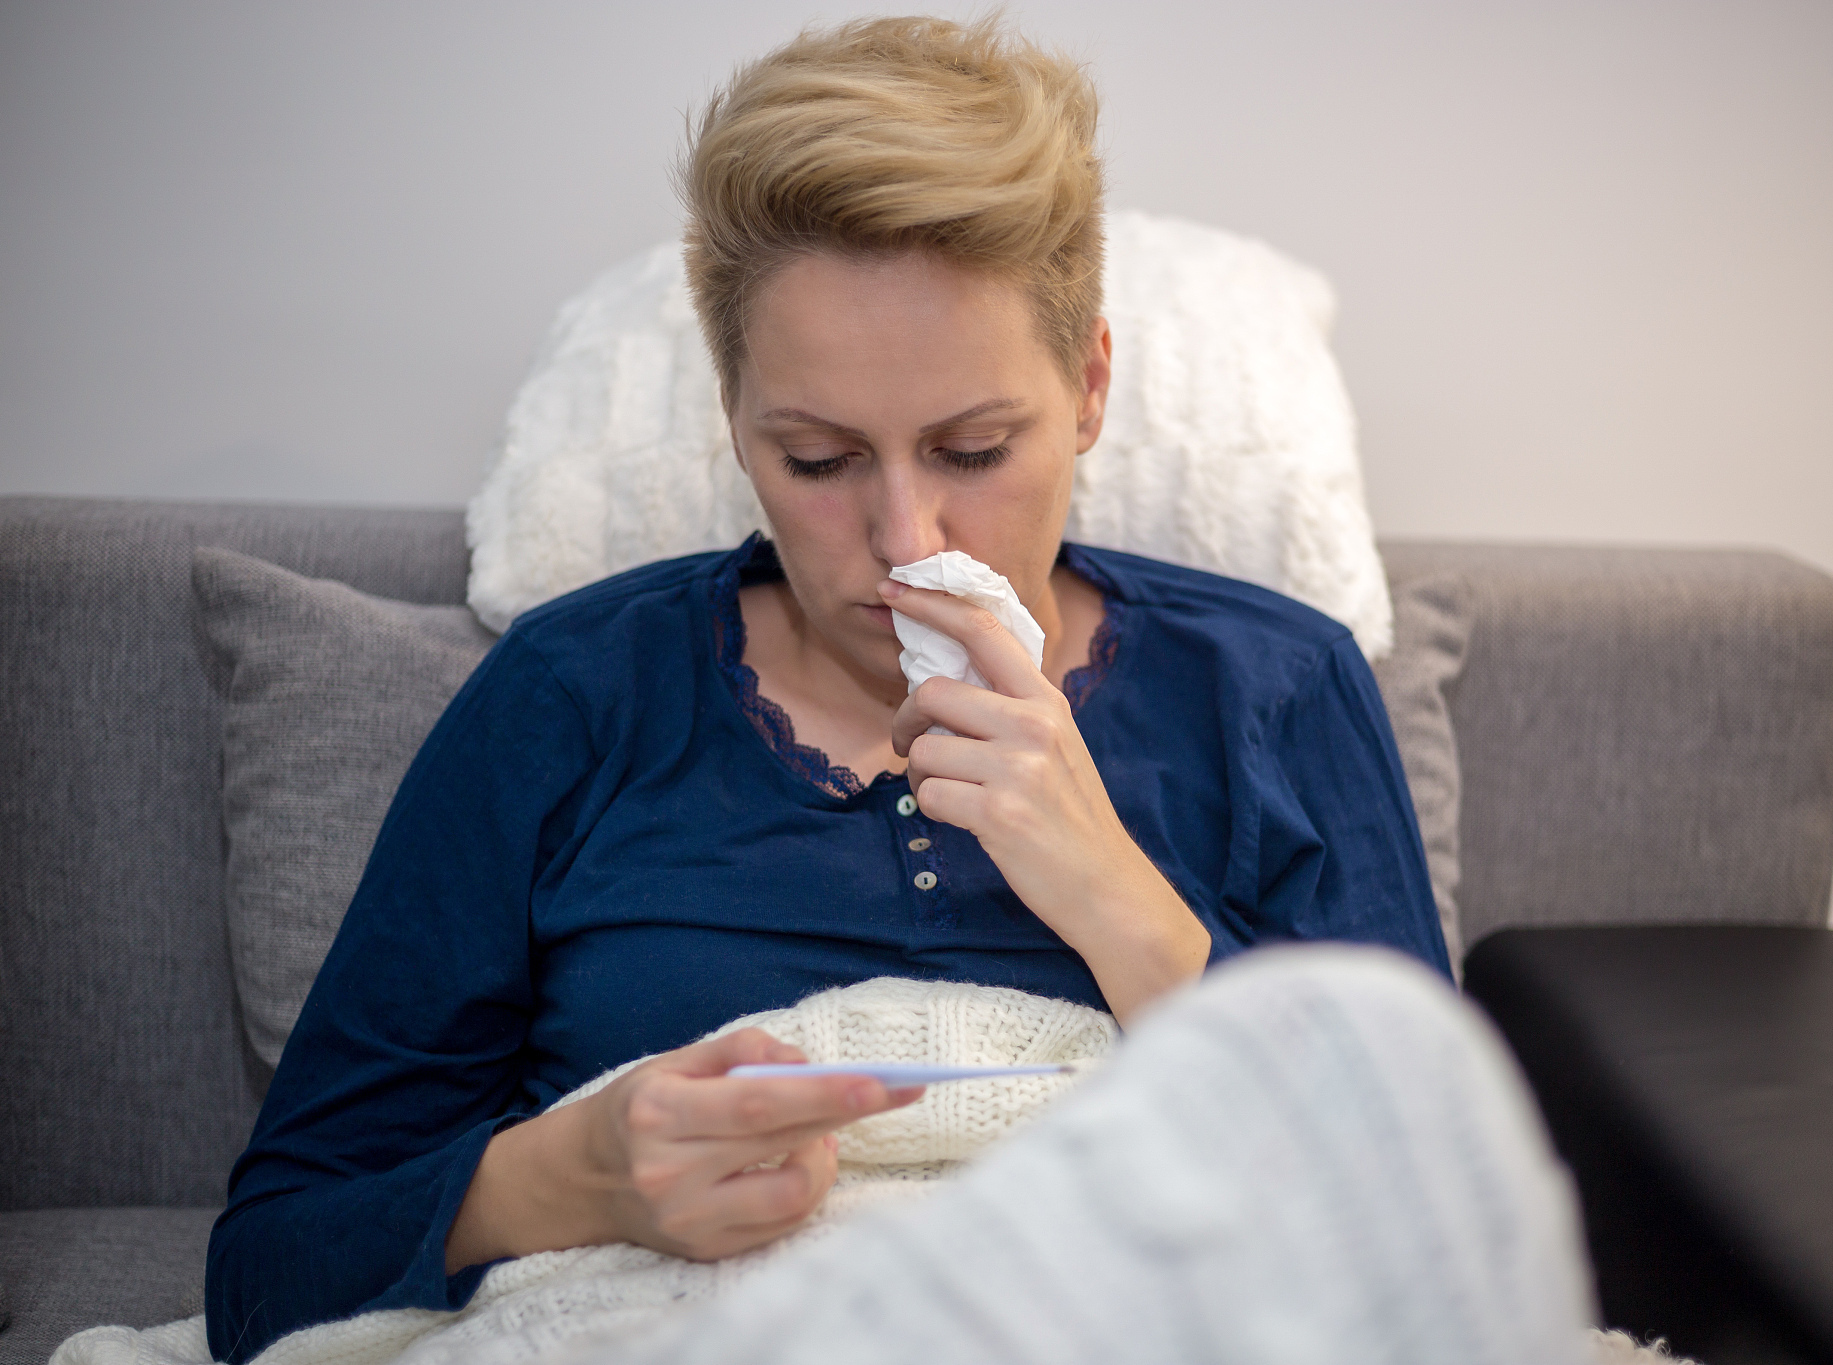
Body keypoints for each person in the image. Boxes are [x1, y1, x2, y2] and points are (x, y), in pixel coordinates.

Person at [205, 17, 1459, 1362]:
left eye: (973, 446)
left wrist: (1118, 900)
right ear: (735, 417)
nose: (908, 537)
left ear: (1091, 385)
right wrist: (581, 1177)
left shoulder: (1278, 687)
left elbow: (1441, 1250)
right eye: (817, 459)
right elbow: (271, 1265)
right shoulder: (568, 699)